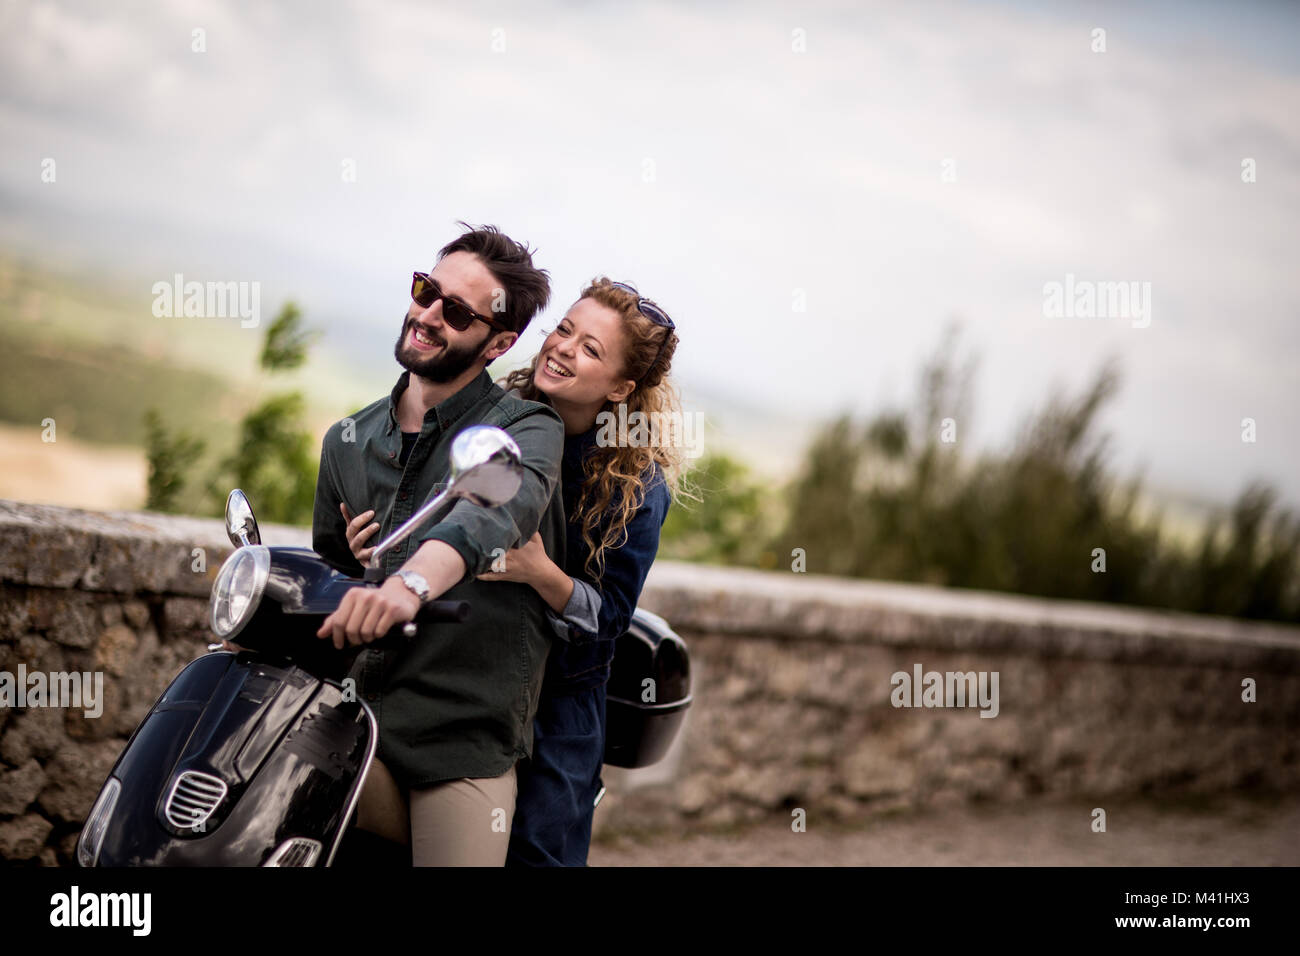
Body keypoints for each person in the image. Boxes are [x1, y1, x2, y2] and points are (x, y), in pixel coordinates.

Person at [309, 222, 564, 866]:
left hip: (457, 742)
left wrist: (408, 584)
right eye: (426, 290)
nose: (426, 315)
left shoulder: (525, 427)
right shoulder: (349, 439)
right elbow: (328, 573)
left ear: (497, 343)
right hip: (354, 719)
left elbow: (491, 506)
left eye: (454, 311)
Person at [476, 278, 683, 865]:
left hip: (561, 704)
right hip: (476, 673)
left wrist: (541, 573)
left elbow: (610, 620)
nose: (563, 347)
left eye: (591, 348)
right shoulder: (498, 418)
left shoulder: (639, 486)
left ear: (621, 388)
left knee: (537, 852)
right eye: (564, 330)